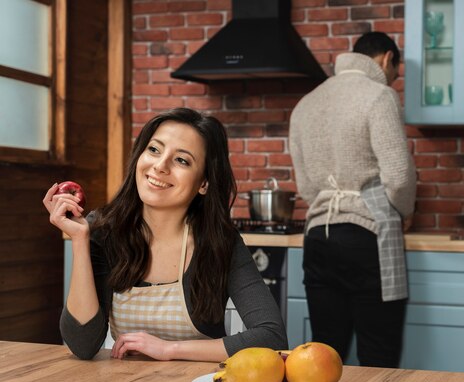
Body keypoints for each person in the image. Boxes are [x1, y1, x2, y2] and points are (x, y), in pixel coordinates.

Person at [44, 107, 287, 361]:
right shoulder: (105, 232)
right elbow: (82, 346)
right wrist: (80, 241)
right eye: (154, 150)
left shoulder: (220, 243)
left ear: (203, 183)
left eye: (182, 160)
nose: (160, 166)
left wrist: (168, 349)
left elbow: (271, 337)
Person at [288, 32, 416, 368]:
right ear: (388, 59)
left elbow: (306, 187)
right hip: (366, 238)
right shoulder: (380, 96)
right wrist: (404, 211)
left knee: (325, 361)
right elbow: (399, 177)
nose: (394, 79)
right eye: (396, 72)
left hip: (318, 238)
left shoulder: (305, 104)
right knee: (378, 358)